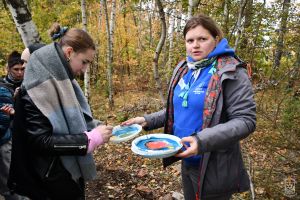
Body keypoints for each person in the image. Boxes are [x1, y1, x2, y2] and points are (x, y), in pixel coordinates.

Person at [122, 14, 256, 200]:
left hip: (214, 166)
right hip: (185, 157)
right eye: (190, 40)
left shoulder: (231, 71)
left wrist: (201, 141)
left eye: (202, 39)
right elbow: (176, 110)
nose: (195, 45)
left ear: (216, 39)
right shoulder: (185, 68)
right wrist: (146, 120)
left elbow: (246, 121)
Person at [8, 23, 113, 200]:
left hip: (59, 176)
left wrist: (97, 127)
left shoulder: (60, 77)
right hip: (46, 182)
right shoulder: (37, 86)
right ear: (69, 52)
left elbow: (71, 118)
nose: (85, 69)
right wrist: (88, 140)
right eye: (84, 62)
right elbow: (40, 141)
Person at [0, 51, 25, 200]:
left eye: (22, 69)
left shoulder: (27, 84)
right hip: (6, 139)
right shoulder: (3, 87)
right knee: (7, 175)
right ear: (9, 69)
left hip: (23, 137)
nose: (20, 72)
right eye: (16, 69)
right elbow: (4, 118)